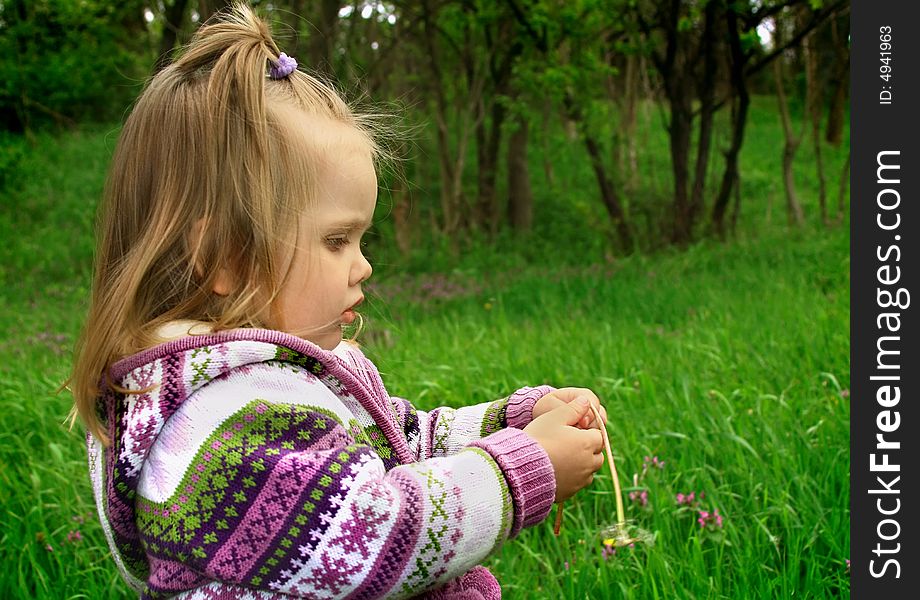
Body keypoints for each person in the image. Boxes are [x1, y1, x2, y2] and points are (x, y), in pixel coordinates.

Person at [69, 4, 607, 598]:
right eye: (335, 240)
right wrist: (520, 470)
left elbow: (402, 444)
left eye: (361, 238)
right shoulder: (213, 424)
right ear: (225, 256)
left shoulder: (281, 376)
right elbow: (372, 537)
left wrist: (513, 421)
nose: (364, 264)